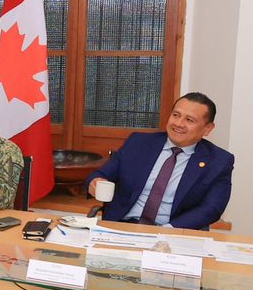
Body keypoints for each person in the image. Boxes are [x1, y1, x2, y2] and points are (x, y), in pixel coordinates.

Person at [85, 92, 234, 229]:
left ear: (208, 129)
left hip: (175, 232)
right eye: (175, 115)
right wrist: (95, 182)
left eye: (189, 120)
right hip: (122, 226)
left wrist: (168, 230)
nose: (178, 123)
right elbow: (101, 174)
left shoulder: (219, 161)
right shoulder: (138, 143)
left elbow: (212, 208)